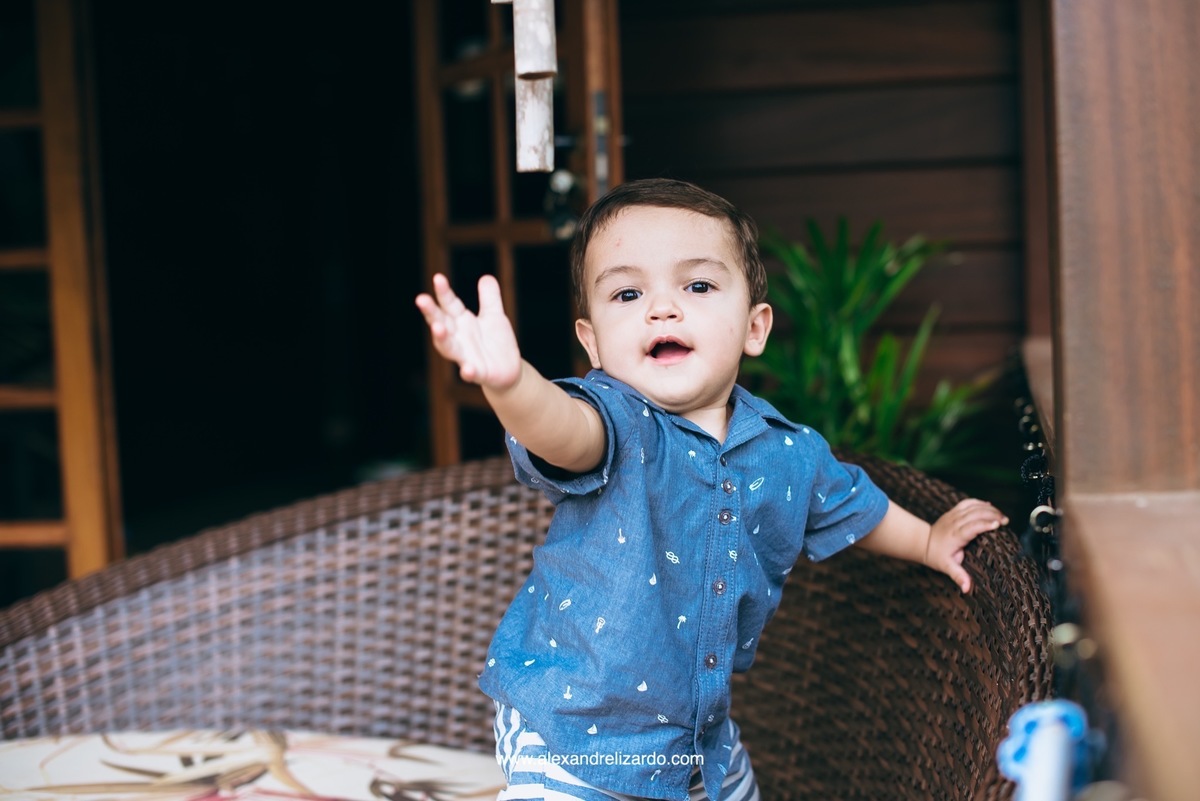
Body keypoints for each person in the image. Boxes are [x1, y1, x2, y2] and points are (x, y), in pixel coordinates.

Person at [415, 178, 1008, 801]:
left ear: (755, 327)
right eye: (627, 293)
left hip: (694, 733)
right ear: (592, 343)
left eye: (697, 286)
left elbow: (852, 506)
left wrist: (929, 541)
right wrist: (511, 386)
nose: (661, 309)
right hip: (569, 730)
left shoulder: (788, 451)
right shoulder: (617, 422)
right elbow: (562, 431)